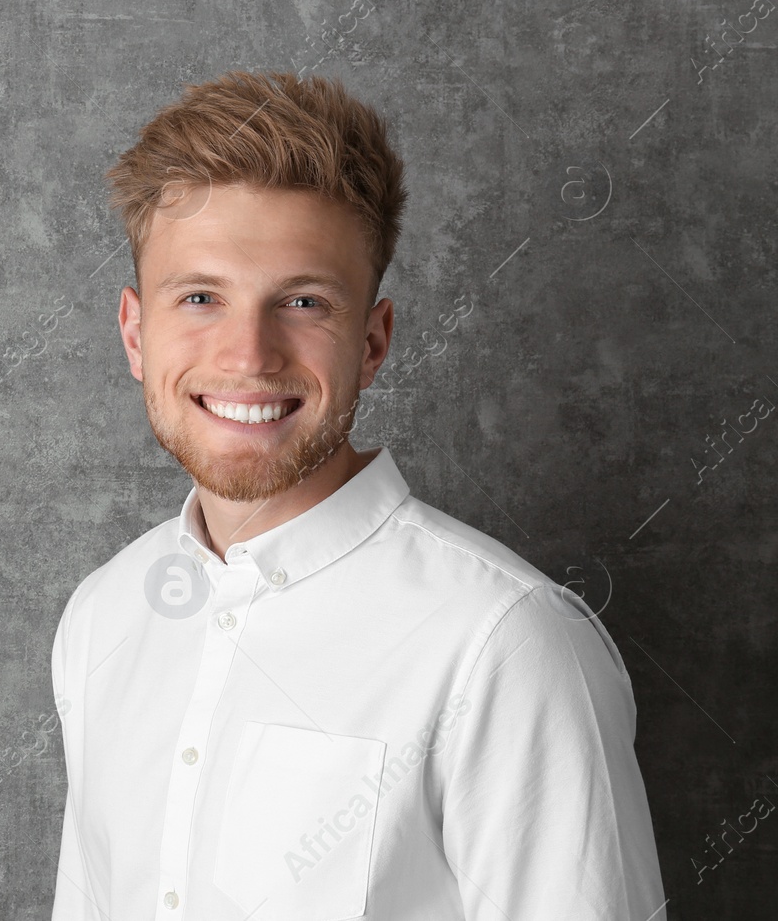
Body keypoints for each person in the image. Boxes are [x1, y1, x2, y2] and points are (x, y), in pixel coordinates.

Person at [48, 70, 667, 921]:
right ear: (134, 332)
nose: (247, 355)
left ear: (373, 342)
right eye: (200, 297)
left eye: (302, 302)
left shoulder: (505, 645)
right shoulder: (103, 617)